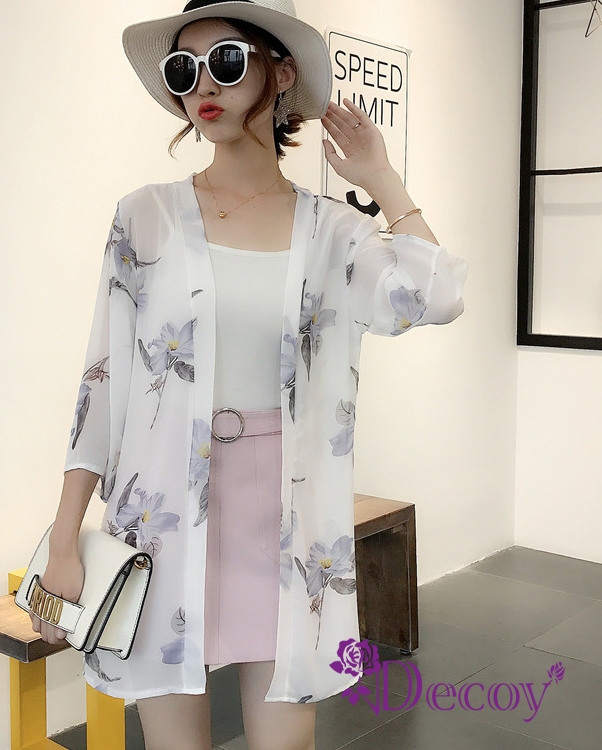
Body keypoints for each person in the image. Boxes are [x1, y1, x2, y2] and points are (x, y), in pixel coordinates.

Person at [30, 1, 467, 749]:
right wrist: (65, 534)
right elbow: (101, 383)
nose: (203, 84)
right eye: (184, 69)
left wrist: (381, 178)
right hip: (162, 507)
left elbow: (437, 296)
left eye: (227, 61)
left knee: (285, 739)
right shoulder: (144, 217)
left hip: (286, 515)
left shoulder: (333, 232)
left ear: (282, 72)